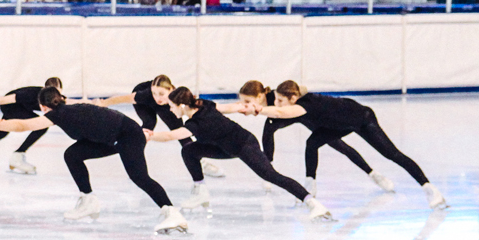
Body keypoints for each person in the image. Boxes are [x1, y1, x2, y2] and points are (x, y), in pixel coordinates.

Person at [0, 86, 187, 234]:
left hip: (128, 135)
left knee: (139, 177)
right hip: (115, 136)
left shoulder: (58, 115)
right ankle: (88, 201)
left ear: (43, 107)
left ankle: (172, 212)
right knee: (72, 155)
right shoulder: (68, 109)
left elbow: (23, 126)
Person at [252, 81, 448, 209]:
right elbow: (275, 119)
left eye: (280, 100)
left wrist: (255, 109)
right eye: (275, 99)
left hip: (362, 118)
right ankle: (310, 185)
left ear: (293, 99)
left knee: (392, 154)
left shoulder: (305, 106)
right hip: (339, 125)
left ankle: (430, 189)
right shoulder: (299, 101)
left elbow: (279, 113)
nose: (276, 103)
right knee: (312, 143)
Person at [146, 87, 332, 219]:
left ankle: (313, 203)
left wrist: (149, 135)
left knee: (271, 175)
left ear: (181, 105)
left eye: (171, 106)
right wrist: (242, 108)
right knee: (189, 151)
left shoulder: (196, 123)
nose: (170, 110)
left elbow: (170, 136)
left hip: (244, 144)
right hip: (224, 147)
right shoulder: (204, 104)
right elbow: (226, 108)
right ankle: (200, 192)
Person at [237, 80, 394, 197]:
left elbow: (296, 94)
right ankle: (274, 171)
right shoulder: (268, 105)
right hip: (296, 117)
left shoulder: (276, 96)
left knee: (340, 146)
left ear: (260, 96)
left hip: (307, 116)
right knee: (269, 131)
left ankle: (372, 173)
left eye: (247, 102)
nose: (244, 105)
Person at [98, 75, 225, 179]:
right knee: (148, 125)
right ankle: (134, 161)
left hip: (167, 105)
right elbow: (123, 99)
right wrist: (103, 103)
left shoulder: (177, 97)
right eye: (154, 93)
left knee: (179, 130)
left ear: (171, 90)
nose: (157, 98)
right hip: (144, 104)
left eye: (161, 94)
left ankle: (201, 162)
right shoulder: (146, 95)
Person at [0, 77, 63, 174]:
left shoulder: (58, 99)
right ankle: (18, 156)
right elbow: (4, 100)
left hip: (21, 107)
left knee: (2, 132)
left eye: (58, 94)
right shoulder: (30, 94)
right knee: (41, 126)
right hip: (10, 106)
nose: (54, 97)